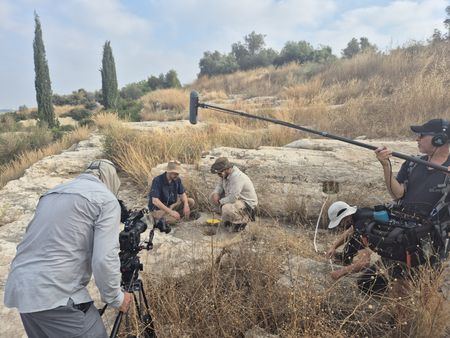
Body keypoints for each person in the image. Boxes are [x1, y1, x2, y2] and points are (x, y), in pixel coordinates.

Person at [4, 159, 133, 338]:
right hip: (56, 294)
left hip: (22, 290)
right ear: (111, 179)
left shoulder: (51, 194)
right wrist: (117, 298)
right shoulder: (107, 200)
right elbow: (104, 258)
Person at [375, 118, 450, 218]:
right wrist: (386, 165)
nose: (417, 139)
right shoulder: (412, 163)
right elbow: (397, 194)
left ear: (439, 140)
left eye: (421, 135)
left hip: (433, 228)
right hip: (404, 222)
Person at [326, 201, 389, 294]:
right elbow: (350, 230)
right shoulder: (360, 213)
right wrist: (333, 246)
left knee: (364, 284)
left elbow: (364, 263)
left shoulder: (360, 229)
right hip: (398, 242)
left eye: (339, 223)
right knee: (354, 238)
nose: (339, 227)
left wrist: (341, 272)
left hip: (395, 255)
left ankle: (389, 293)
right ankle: (345, 258)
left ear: (345, 218)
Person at [210, 157, 258, 232]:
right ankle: (229, 218)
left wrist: (220, 202)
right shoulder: (224, 174)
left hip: (247, 204)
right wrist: (216, 193)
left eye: (219, 173)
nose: (218, 175)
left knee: (226, 208)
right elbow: (220, 185)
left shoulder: (237, 177)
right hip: (236, 199)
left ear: (227, 169)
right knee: (212, 196)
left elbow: (233, 198)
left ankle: (242, 222)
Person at [148, 160, 196, 225]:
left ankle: (175, 215)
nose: (177, 175)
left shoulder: (177, 179)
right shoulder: (157, 180)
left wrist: (186, 205)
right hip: (159, 209)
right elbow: (155, 201)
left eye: (178, 173)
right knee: (173, 220)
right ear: (169, 172)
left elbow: (182, 193)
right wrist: (171, 212)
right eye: (175, 173)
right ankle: (155, 218)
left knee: (191, 201)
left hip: (171, 206)